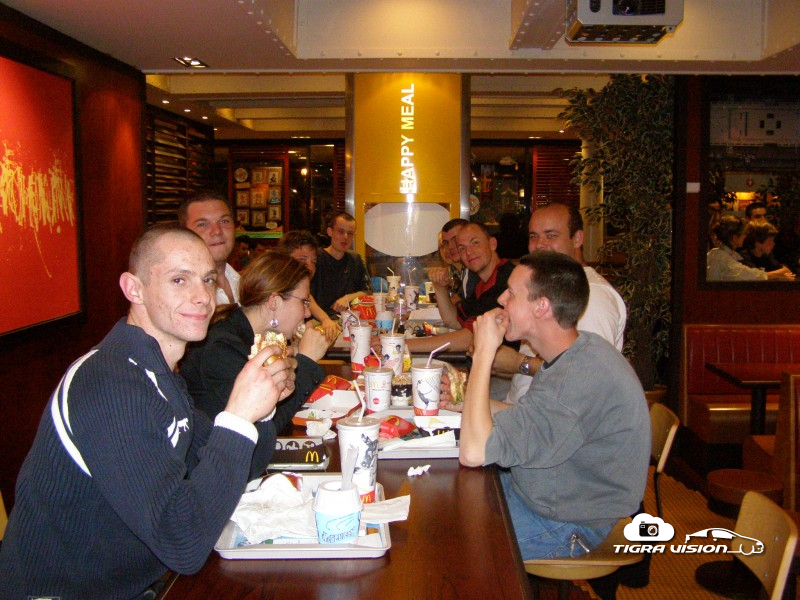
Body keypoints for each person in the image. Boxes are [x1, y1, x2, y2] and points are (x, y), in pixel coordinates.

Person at [0, 225, 296, 599]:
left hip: (138, 585)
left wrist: (261, 411)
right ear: (134, 289)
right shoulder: (110, 382)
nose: (202, 297)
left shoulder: (159, 375)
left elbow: (238, 465)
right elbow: (183, 543)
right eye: (178, 280)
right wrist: (237, 418)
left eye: (207, 280)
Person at [458, 251, 650, 560]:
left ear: (542, 307)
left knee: (454, 548)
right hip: (537, 493)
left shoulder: (578, 377)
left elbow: (473, 453)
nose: (502, 299)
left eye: (512, 293)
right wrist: (462, 403)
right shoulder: (575, 350)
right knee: (445, 502)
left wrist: (484, 353)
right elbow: (533, 418)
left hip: (568, 521)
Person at [181, 250, 333, 479]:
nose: (307, 312)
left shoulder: (247, 334)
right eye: (303, 302)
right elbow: (266, 429)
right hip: (211, 476)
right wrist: (307, 361)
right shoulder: (222, 349)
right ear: (274, 302)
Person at [488, 202, 627, 404]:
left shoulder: (592, 296)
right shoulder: (547, 287)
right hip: (522, 409)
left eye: (551, 235)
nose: (539, 245)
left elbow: (586, 381)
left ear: (577, 238)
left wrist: (520, 364)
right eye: (533, 236)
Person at [407, 222, 517, 354]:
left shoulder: (507, 280)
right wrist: (440, 288)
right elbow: (453, 321)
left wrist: (402, 344)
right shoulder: (482, 284)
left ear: (492, 244)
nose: (469, 252)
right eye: (462, 248)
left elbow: (470, 338)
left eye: (475, 243)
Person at [278, 230, 341, 341]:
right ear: (284, 260)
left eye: (314, 262)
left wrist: (325, 320)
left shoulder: (296, 288)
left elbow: (308, 298)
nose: (310, 267)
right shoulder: (273, 290)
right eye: (302, 259)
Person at [178, 191, 240, 305]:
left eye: (224, 221)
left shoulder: (242, 283)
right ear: (185, 233)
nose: (217, 231)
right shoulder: (181, 296)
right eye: (202, 224)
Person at [310, 212, 370, 318]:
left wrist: (347, 298)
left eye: (350, 233)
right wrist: (325, 320)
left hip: (348, 319)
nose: (345, 237)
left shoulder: (355, 259)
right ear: (330, 232)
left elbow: (367, 291)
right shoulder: (315, 258)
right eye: (341, 232)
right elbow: (305, 295)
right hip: (318, 320)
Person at [707, 216, 769, 281]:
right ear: (735, 238)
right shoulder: (722, 258)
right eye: (744, 233)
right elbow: (750, 275)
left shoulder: (717, 253)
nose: (745, 236)